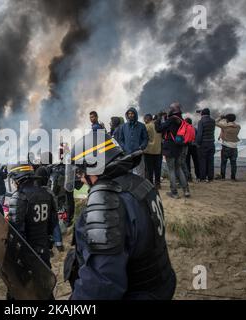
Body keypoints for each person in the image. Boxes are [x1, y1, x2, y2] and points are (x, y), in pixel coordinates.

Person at [64, 131, 176, 300]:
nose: (82, 179)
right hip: (160, 285)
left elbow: (101, 286)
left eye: (81, 172)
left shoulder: (106, 202)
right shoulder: (141, 184)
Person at [7, 163, 58, 299]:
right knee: (45, 285)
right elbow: (54, 222)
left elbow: (16, 231)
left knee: (21, 288)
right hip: (44, 247)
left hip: (27, 252)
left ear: (17, 180)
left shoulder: (19, 197)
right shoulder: (47, 193)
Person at [155, 102, 190, 198]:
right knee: (179, 168)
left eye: (170, 108)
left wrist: (159, 118)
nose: (168, 110)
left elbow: (159, 129)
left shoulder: (171, 119)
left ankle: (174, 192)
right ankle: (186, 190)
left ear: (173, 110)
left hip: (170, 147)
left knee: (171, 170)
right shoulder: (181, 119)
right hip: (179, 147)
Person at [216, 114, 241, 180]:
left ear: (227, 119)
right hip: (234, 147)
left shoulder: (225, 126)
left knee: (223, 163)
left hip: (226, 146)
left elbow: (215, 122)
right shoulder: (238, 127)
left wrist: (220, 117)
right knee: (233, 163)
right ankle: (233, 177)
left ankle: (223, 177)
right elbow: (233, 124)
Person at [196, 108, 216, 182]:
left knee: (202, 161)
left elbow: (199, 134)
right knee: (211, 161)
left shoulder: (201, 121)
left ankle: (203, 178)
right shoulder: (213, 121)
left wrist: (198, 143)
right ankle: (210, 178)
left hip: (203, 144)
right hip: (211, 143)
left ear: (202, 114)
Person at [143, 114, 162, 189]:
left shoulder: (147, 126)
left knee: (149, 169)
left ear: (147, 119)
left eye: (144, 119)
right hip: (158, 150)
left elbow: (144, 137)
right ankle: (157, 183)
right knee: (157, 168)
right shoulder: (158, 126)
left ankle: (150, 184)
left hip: (149, 150)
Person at [185, 118, 200, 182]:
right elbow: (197, 137)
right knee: (196, 162)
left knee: (187, 162)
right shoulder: (195, 129)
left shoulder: (185, 129)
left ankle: (189, 177)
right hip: (194, 146)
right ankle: (198, 176)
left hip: (187, 146)